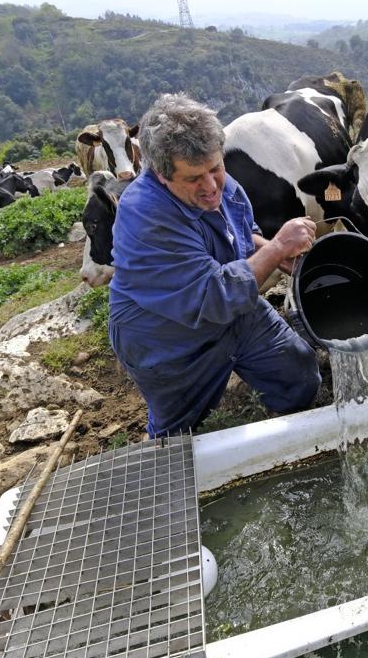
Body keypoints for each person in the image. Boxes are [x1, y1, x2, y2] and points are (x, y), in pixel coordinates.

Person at [108, 93, 321, 436]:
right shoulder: (146, 217)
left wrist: (276, 254)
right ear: (161, 175)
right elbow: (211, 296)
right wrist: (279, 245)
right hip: (168, 338)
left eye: (215, 168)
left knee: (299, 375)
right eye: (194, 179)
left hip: (235, 309)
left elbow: (241, 230)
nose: (210, 187)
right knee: (176, 434)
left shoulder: (218, 182)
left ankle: (283, 427)